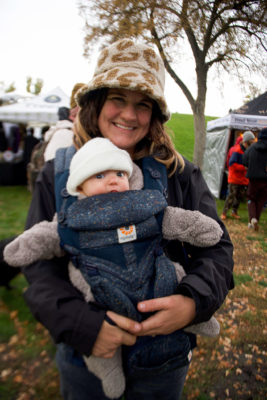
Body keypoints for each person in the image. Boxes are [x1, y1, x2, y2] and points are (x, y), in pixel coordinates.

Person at [21, 38, 234, 400]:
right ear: (96, 103)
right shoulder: (59, 174)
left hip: (164, 364)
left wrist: (192, 303)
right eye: (118, 98)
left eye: (143, 104)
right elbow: (39, 268)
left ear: (155, 114)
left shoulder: (179, 174)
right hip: (86, 359)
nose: (130, 115)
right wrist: (82, 325)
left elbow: (218, 250)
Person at [4, 137, 222, 398]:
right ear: (80, 186)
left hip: (162, 320)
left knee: (172, 272)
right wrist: (84, 325)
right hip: (100, 304)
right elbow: (45, 239)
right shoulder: (70, 214)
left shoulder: (150, 196)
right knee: (93, 307)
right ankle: (108, 369)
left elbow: (175, 220)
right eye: (99, 175)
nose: (113, 180)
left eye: (120, 173)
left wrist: (194, 305)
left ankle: (197, 321)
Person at [221, 130, 255, 220]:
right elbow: (232, 164)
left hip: (244, 179)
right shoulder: (237, 150)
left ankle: (234, 212)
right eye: (252, 140)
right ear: (247, 140)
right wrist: (244, 168)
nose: (253, 141)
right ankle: (224, 212)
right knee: (231, 196)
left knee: (238, 198)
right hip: (234, 179)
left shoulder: (249, 151)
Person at [242, 127, 267, 231]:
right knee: (261, 200)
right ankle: (254, 220)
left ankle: (253, 219)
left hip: (253, 178)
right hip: (266, 179)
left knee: (251, 198)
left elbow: (244, 161)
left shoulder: (252, 148)